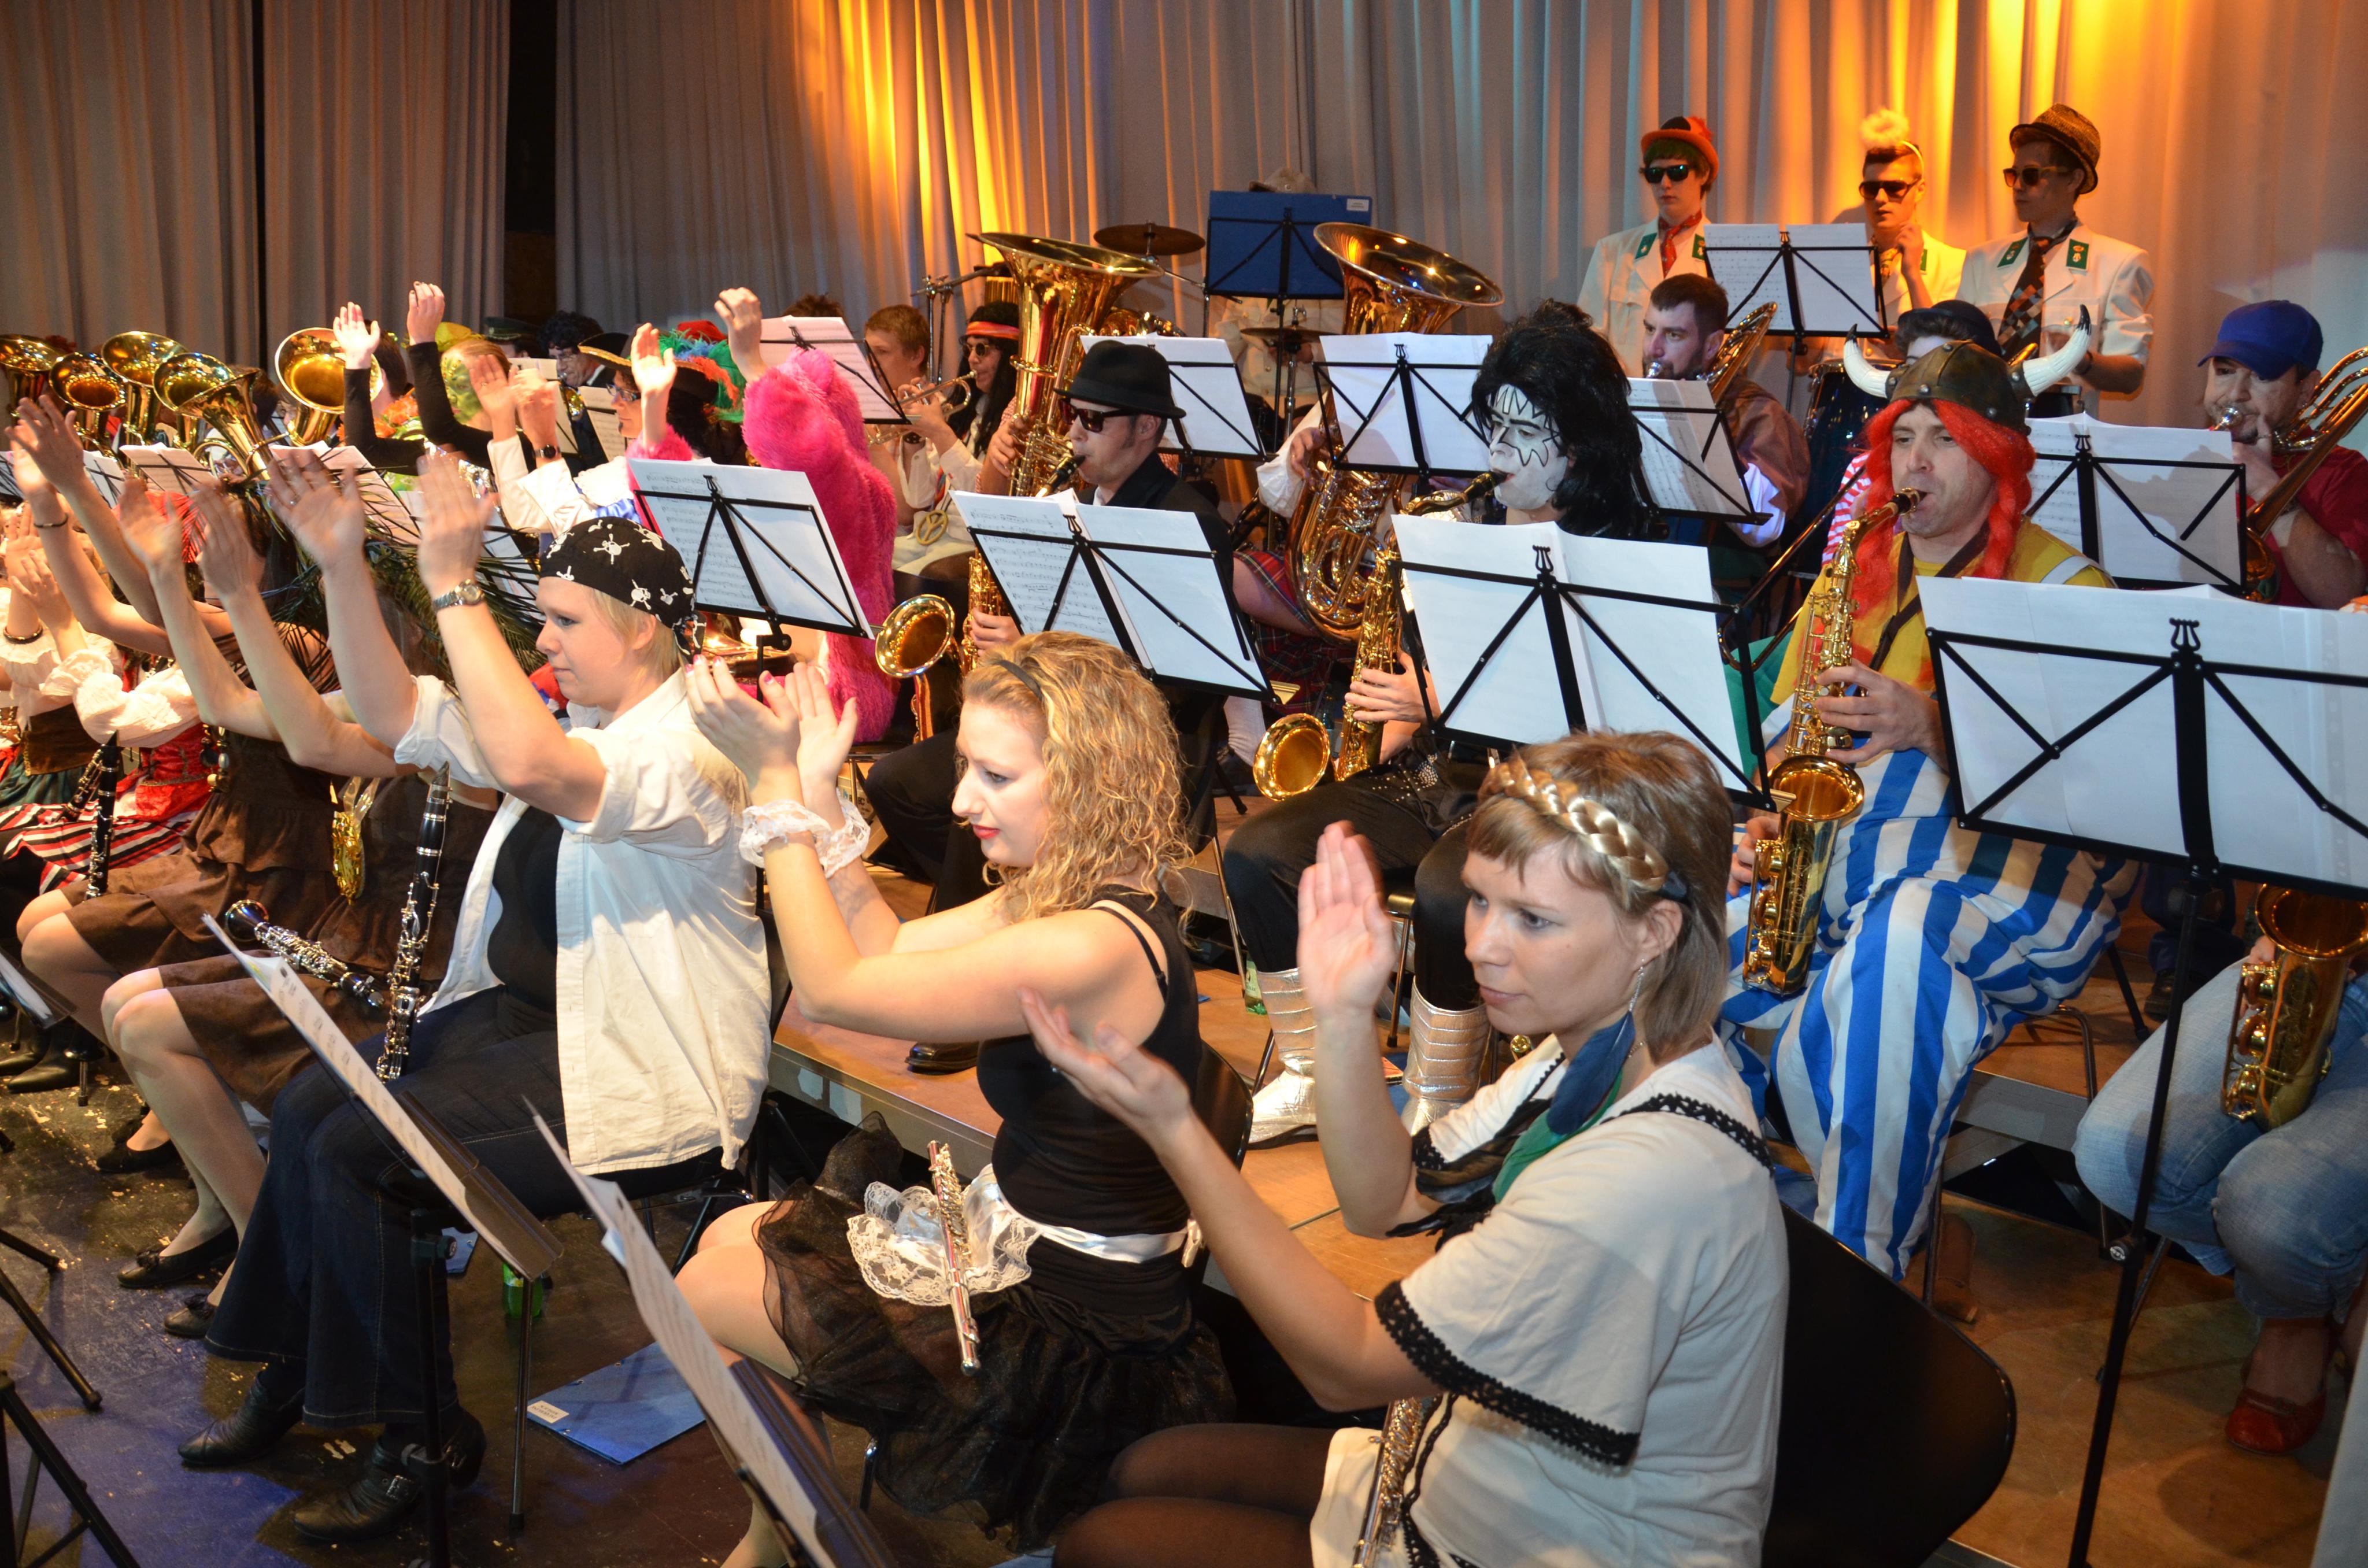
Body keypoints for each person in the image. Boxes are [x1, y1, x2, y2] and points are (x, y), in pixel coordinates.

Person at [183, 453, 765, 1544]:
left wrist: (454, 583)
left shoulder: (697, 748)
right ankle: (297, 1367)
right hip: (537, 1024)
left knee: (360, 1150)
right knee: (309, 1105)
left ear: (643, 627)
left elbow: (536, 769)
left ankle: (422, 1437)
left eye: (565, 620)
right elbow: (395, 711)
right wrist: (342, 564)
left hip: (640, 1063)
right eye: (540, 619)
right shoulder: (585, 723)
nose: (544, 641)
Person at [1046, 733, 1785, 1568]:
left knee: (1105, 1547)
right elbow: (1385, 1200)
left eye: (1533, 919)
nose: (1481, 946)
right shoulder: (1597, 1050)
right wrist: (1340, 1016)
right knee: (1145, 1469)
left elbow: (1347, 1367)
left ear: (1654, 932)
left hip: (1561, 1539)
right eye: (1479, 901)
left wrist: (1176, 1133)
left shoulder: (1648, 1174)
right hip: (1476, 1467)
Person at [677, 640, 1233, 1564]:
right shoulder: (1073, 895)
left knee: (702, 1292)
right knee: (731, 1240)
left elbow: (834, 989)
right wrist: (816, 791)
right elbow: (888, 949)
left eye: (995, 775)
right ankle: (778, 1536)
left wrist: (774, 794)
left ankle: (787, 1543)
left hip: (1073, 1334)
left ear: (1089, 781)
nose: (962, 798)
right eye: (967, 766)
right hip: (1020, 1247)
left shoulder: (1090, 945)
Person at [1719, 332, 2132, 1313]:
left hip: (2018, 884)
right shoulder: (1852, 568)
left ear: (1998, 458)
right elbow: (1791, 739)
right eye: (1903, 439)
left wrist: (1934, 727)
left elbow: (2102, 794)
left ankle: (1858, 1286)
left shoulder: (2069, 593)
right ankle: (1758, 1236)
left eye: (1945, 440)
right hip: (1841, 866)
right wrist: (1764, 821)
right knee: (1673, 949)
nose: (1916, 463)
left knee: (1896, 953)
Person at [1229, 304, 1656, 1144]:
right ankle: (1314, 1073)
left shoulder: (1622, 550)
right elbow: (1414, 679)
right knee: (1258, 852)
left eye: (1523, 432)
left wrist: (1437, 699)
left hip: (1552, 793)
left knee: (1447, 886)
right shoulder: (1463, 526)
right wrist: (1385, 722)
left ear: (1577, 445)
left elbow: (1606, 721)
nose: (1498, 452)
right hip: (1439, 776)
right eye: (1493, 425)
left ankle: (1443, 1096)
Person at [101, 474, 495, 1341]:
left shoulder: (463, 730)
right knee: (124, 1004)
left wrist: (244, 593)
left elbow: (312, 742)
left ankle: (266, 1254)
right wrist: (178, 576)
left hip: (405, 983)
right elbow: (227, 704)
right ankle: (237, 1221)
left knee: (147, 1025)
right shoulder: (403, 715)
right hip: (347, 948)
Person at [864, 342, 1227, 972]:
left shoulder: (1187, 522)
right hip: (1048, 725)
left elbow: (1184, 682)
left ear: (1147, 427)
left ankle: (977, 964)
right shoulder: (1068, 505)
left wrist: (1035, 652)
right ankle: (1024, 907)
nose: (1074, 433)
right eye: (1071, 415)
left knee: (986, 802)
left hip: (1136, 739)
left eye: (1094, 420)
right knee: (896, 782)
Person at [2075, 933, 2368, 1457]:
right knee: (2114, 1156)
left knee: (2271, 1215)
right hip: (2324, 956)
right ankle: (2309, 1295)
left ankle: (2300, 1308)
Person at [1955, 105, 2153, 415]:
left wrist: (2081, 360)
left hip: (2060, 428)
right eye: (2013, 175)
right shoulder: (1982, 259)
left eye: (2032, 175)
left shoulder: (2119, 263)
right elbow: (1955, 351)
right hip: (1980, 421)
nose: (2018, 186)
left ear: (2074, 179)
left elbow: (2131, 376)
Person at [2204, 299, 2367, 610]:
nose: (2236, 393)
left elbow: (2340, 597)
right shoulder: (2174, 454)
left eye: (2261, 377)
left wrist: (2269, 489)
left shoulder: (2344, 470)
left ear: (2306, 390)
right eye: (2225, 371)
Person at [1640, 273, 1810, 550]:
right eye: (1649, 330)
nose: (1653, 348)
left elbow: (1766, 530)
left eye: (1673, 335)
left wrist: (1700, 432)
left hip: (1716, 572)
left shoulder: (1761, 412)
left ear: (1712, 345)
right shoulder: (1637, 398)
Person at [1577, 115, 1720, 374]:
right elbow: (1587, 338)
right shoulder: (1612, 251)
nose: (1665, 184)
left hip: (1696, 395)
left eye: (1677, 172)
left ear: (1704, 174)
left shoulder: (1728, 254)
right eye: (1655, 174)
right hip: (1625, 395)